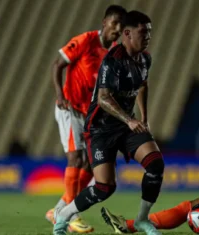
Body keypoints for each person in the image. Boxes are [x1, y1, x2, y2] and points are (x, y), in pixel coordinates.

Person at [53, 11, 165, 235]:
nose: (148, 37)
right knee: (105, 187)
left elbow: (142, 85)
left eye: (150, 32)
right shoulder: (112, 61)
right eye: (143, 32)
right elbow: (103, 99)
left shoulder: (145, 59)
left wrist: (143, 118)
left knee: (155, 165)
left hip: (126, 125)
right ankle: (63, 216)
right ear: (127, 33)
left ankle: (142, 220)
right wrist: (130, 119)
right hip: (101, 128)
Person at [46, 5, 127, 233]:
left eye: (121, 25)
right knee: (76, 157)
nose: (118, 29)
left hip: (89, 114)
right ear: (104, 22)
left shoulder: (113, 54)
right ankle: (71, 216)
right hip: (69, 108)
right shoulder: (85, 41)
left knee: (92, 164)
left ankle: (60, 209)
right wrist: (60, 95)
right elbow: (57, 64)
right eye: (114, 23)